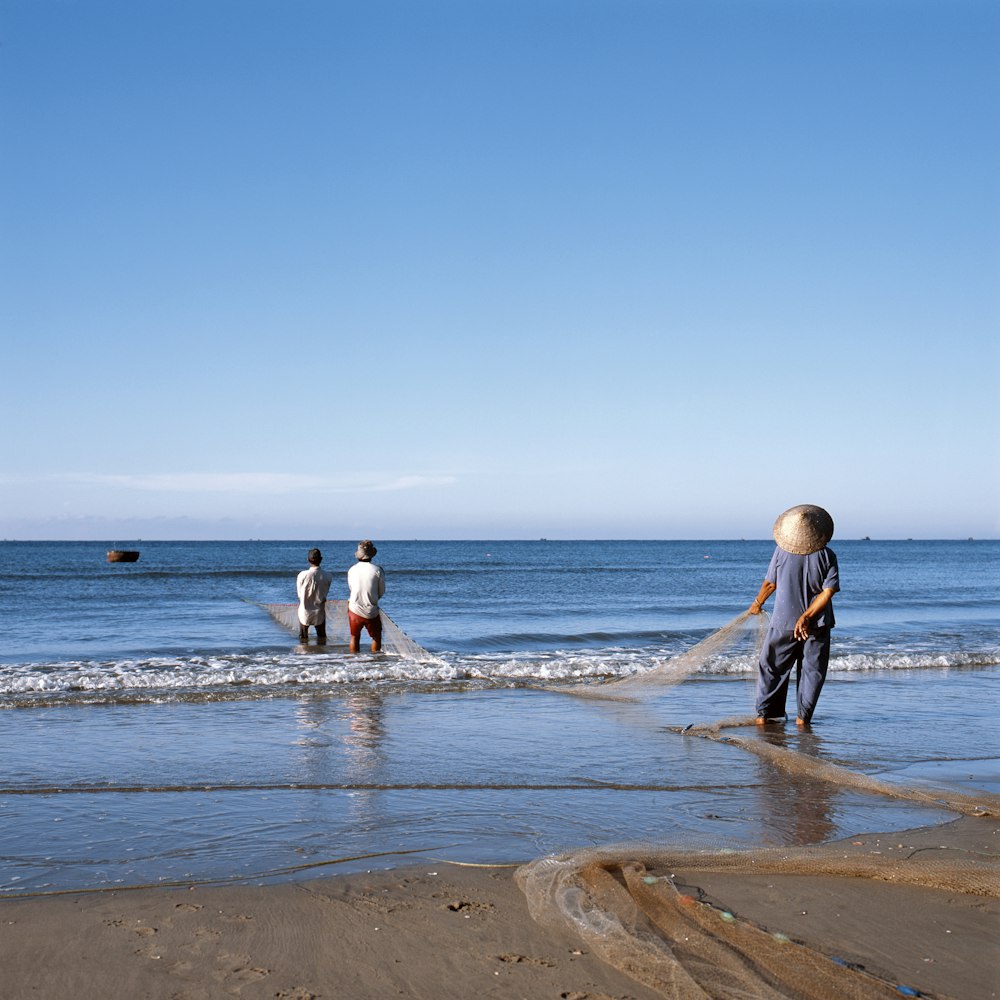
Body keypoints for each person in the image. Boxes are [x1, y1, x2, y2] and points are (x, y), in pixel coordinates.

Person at [748, 505, 840, 726]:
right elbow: (828, 592)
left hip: (783, 622)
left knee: (772, 667)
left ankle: (765, 716)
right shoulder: (827, 555)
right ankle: (802, 720)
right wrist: (808, 617)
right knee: (812, 672)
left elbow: (770, 583)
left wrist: (757, 604)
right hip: (818, 623)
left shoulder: (781, 551)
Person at [347, 539, 385, 653]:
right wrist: (373, 599)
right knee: (376, 637)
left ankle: (354, 663)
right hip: (371, 610)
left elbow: (351, 588)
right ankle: (374, 663)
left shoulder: (352, 570)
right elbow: (382, 591)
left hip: (354, 609)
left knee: (354, 636)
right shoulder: (377, 570)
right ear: (372, 554)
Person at [296, 548, 333, 644]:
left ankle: (304, 657)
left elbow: (300, 595)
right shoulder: (328, 575)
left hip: (305, 610)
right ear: (321, 559)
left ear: (308, 560)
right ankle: (321, 657)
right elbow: (325, 591)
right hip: (319, 610)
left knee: (303, 639)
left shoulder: (302, 575)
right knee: (322, 638)